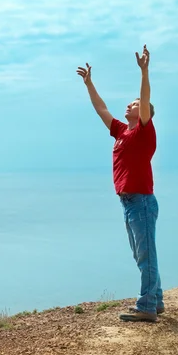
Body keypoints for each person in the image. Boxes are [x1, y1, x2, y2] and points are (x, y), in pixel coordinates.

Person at [76, 45, 163, 322]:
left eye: (134, 104)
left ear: (145, 112)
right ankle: (156, 299)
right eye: (130, 103)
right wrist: (89, 84)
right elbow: (101, 108)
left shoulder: (144, 132)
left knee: (145, 254)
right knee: (143, 253)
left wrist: (144, 71)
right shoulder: (121, 132)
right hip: (129, 203)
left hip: (141, 202)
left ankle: (147, 307)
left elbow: (146, 97)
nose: (129, 105)